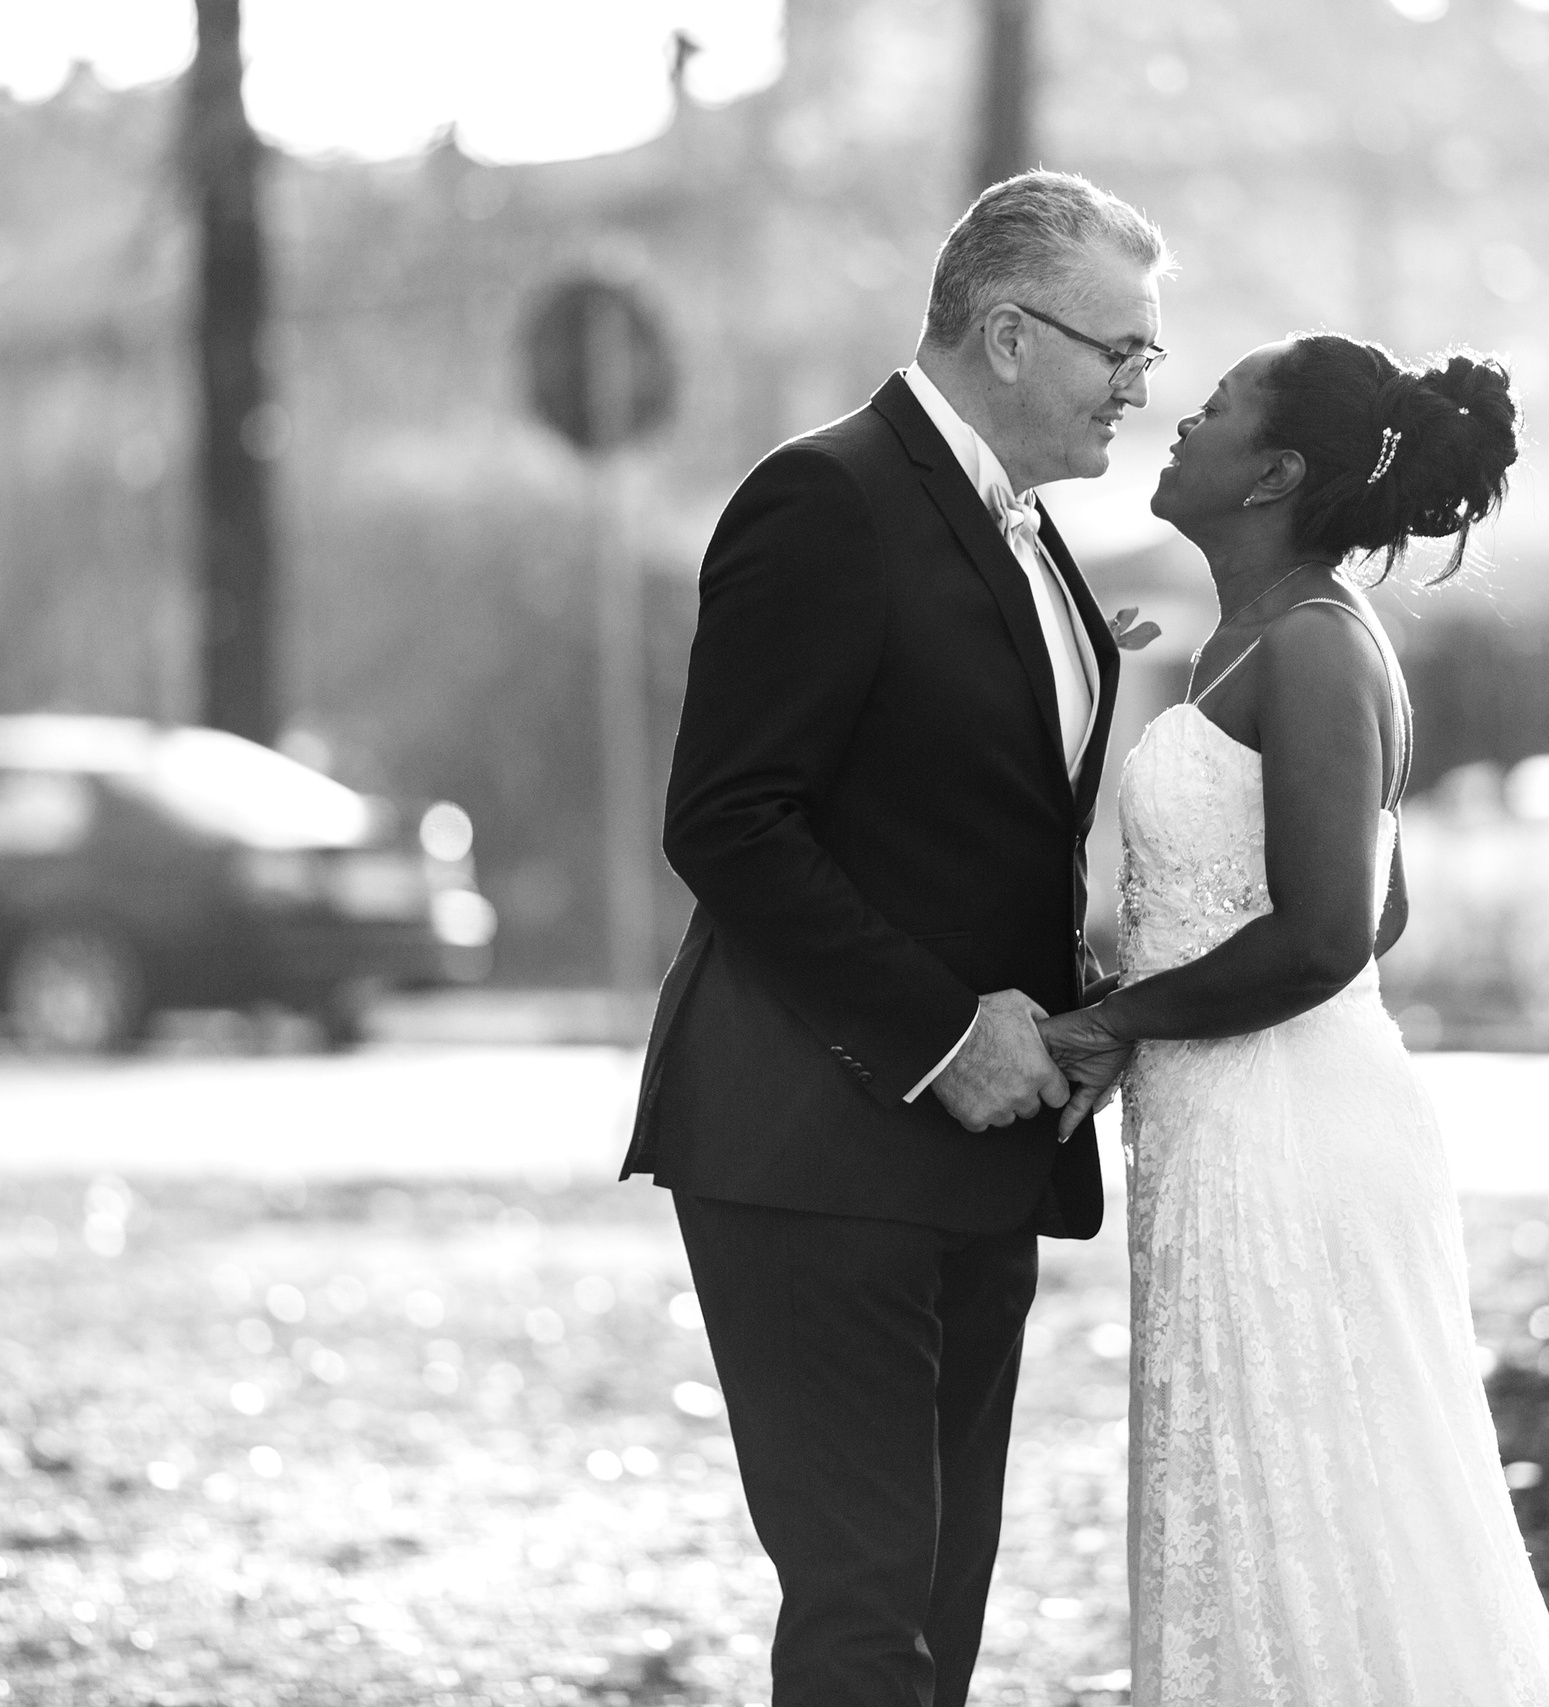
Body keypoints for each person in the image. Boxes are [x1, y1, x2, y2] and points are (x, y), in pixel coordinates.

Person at [618, 170, 1170, 1707]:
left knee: (939, 1609)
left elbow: (969, 821)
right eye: (1119, 349)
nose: (1141, 385)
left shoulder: (1036, 539)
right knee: (868, 1616)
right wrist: (944, 1031)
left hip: (976, 1147)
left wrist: (1078, 1008)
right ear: (1005, 334)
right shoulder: (826, 499)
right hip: (811, 1143)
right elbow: (727, 822)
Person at [1039, 334, 1549, 1704]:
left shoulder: (1316, 647)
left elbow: (1335, 936)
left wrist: (1120, 1021)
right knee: (1257, 1521)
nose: (1182, 421)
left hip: (1295, 1143)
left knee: (1335, 1533)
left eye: (1215, 407)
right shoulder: (1251, 640)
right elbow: (1372, 910)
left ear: (1273, 471)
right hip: (1229, 1129)